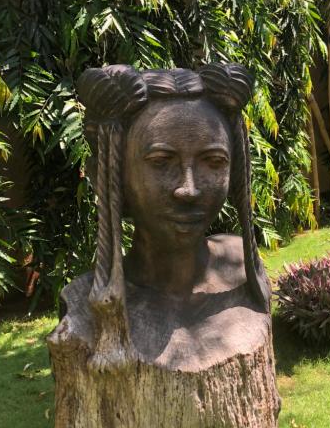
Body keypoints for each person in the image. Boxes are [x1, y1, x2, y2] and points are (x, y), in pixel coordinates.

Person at [58, 63, 271, 372]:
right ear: (109, 176)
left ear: (236, 171)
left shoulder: (242, 269)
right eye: (161, 162)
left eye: (213, 162)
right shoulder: (81, 308)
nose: (189, 189)